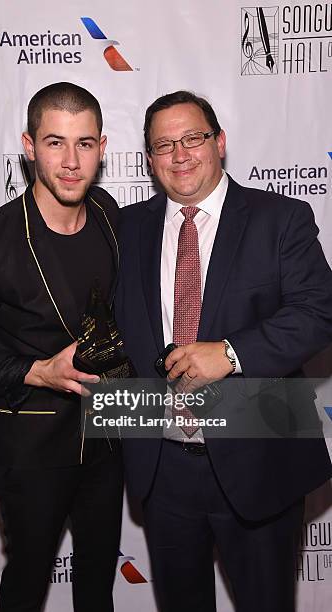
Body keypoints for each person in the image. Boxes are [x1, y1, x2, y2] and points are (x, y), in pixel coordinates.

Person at [114, 90, 332, 612]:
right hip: (161, 468)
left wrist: (230, 354)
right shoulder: (126, 228)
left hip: (260, 459)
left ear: (221, 142)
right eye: (164, 145)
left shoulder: (281, 217)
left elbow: (319, 311)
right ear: (149, 159)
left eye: (193, 138)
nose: (180, 154)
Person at [0, 82, 123, 612]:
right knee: (27, 586)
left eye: (84, 144)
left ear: (102, 148)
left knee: (98, 588)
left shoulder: (109, 214)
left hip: (107, 441)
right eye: (55, 143)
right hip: (31, 446)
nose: (69, 161)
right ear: (28, 145)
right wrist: (33, 370)